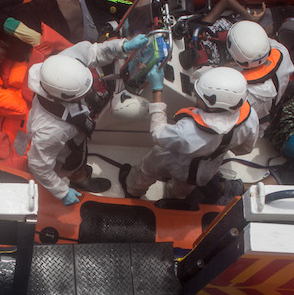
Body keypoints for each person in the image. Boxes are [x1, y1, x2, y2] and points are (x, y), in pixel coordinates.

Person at [26, 34, 149, 205]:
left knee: (80, 153)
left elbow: (92, 52)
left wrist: (122, 47)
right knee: (75, 165)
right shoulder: (50, 130)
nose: (90, 91)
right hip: (65, 151)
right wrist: (61, 192)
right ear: (65, 97)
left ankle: (80, 171)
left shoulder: (62, 64)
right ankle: (80, 180)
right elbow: (38, 165)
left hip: (75, 134)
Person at [120, 65, 259, 201]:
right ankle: (173, 199)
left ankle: (133, 191)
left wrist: (157, 90)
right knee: (182, 191)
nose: (196, 96)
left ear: (212, 106)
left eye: (199, 97)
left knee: (145, 173)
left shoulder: (188, 131)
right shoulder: (251, 117)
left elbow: (158, 133)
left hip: (170, 160)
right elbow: (245, 149)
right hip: (203, 172)